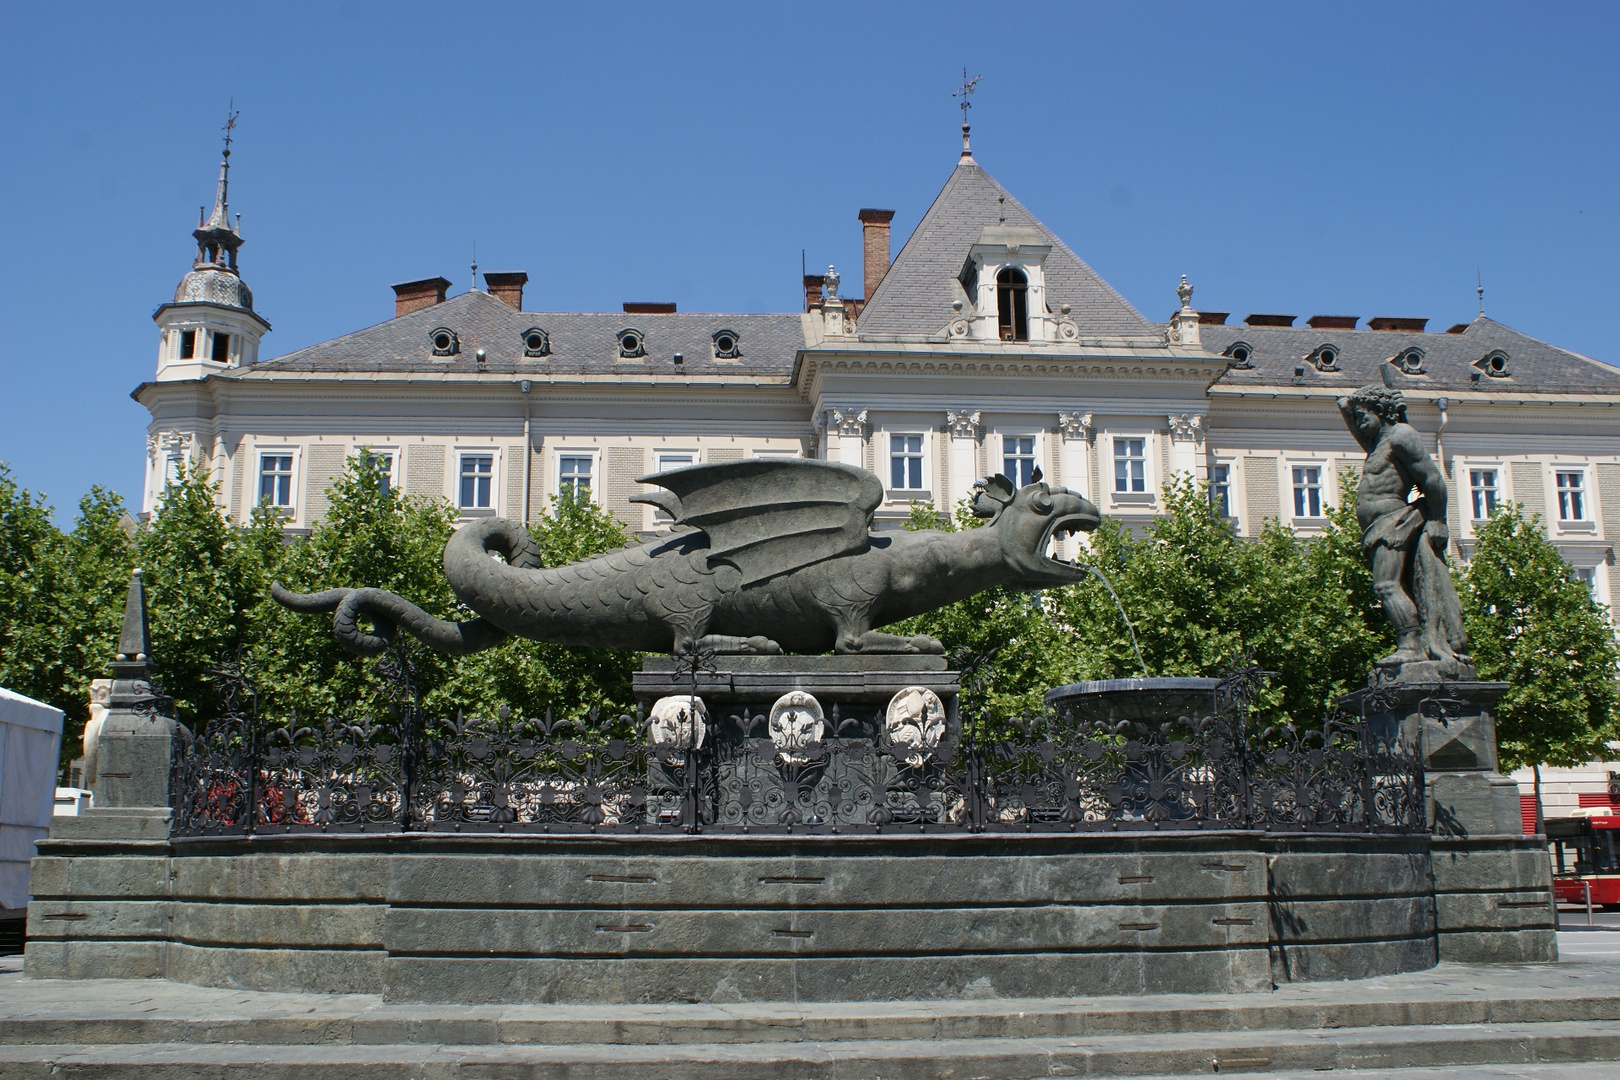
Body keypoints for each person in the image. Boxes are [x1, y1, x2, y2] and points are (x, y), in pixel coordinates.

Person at [1338, 384, 1473, 680]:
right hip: (1379, 526)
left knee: (1386, 586)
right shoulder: (1377, 443)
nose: (1359, 423)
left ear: (1381, 413)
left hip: (1395, 523)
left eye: (1364, 416)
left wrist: (1438, 519)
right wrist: (1362, 405)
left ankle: (1410, 644)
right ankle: (1412, 641)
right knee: (1395, 586)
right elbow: (1344, 406)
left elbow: (1432, 479)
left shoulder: (1401, 435)